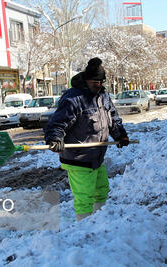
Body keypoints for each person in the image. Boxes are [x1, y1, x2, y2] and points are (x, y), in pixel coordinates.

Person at [45, 57, 129, 221]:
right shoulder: (73, 99)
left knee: (102, 190)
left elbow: (112, 117)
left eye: (101, 82)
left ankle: (99, 222)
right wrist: (55, 138)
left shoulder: (103, 96)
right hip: (79, 158)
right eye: (94, 82)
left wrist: (121, 135)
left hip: (96, 157)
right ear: (86, 79)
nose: (98, 85)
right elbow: (58, 122)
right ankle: (85, 230)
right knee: (85, 198)